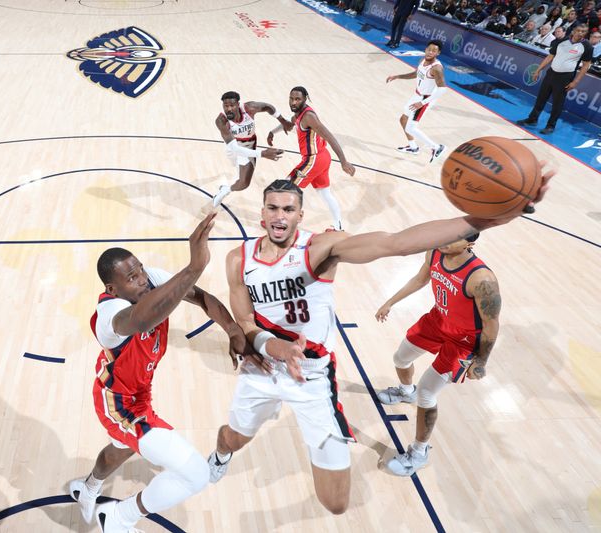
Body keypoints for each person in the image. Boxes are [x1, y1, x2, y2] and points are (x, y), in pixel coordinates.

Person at [207, 171, 552, 515]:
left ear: (300, 214)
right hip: (265, 368)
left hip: (311, 377)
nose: (279, 216)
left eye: (288, 209)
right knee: (234, 440)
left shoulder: (322, 248)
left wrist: (489, 218)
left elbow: (395, 243)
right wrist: (274, 347)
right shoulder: (239, 259)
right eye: (273, 208)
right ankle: (220, 455)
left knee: (336, 502)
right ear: (262, 213)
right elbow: (247, 323)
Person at [68, 213, 265, 533]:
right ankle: (118, 518)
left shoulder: (150, 280)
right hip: (117, 402)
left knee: (119, 451)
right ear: (112, 288)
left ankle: (88, 487)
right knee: (197, 474)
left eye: (141, 269)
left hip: (139, 392)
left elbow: (201, 297)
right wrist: (193, 266)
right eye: (131, 278)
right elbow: (144, 319)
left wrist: (231, 329)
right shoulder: (110, 315)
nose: (142, 279)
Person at [373, 234, 499, 475]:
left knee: (428, 392)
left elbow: (492, 324)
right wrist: (390, 301)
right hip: (437, 321)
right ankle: (405, 391)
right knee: (400, 358)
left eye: (456, 238)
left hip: (464, 339)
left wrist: (481, 361)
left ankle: (419, 453)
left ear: (469, 244)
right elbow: (421, 279)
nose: (446, 240)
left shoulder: (482, 279)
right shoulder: (434, 252)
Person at [267, 86, 355, 231]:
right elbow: (289, 126)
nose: (293, 102)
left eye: (297, 99)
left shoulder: (309, 117)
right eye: (291, 98)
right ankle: (338, 227)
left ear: (305, 99)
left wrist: (343, 161)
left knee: (287, 189)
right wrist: (272, 132)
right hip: (322, 158)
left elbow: (330, 137)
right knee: (325, 194)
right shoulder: (298, 116)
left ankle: (284, 224)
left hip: (313, 159)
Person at [211, 91, 288, 208]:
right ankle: (230, 182)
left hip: (249, 145)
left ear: (238, 104)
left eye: (232, 105)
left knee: (244, 183)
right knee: (237, 169)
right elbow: (235, 149)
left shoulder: (249, 108)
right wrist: (262, 153)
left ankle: (225, 190)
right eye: (226, 106)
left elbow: (268, 107)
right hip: (233, 147)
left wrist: (283, 121)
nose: (229, 109)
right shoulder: (221, 121)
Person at [517, 24, 592, 134]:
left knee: (557, 103)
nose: (580, 33)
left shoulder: (587, 46)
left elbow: (586, 65)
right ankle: (532, 119)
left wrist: (575, 81)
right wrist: (538, 70)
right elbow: (550, 56)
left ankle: (550, 126)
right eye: (579, 30)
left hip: (565, 77)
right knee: (541, 98)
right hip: (551, 73)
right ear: (573, 31)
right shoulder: (562, 41)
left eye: (583, 31)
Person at [387, 40, 447, 163]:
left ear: (438, 53)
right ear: (425, 49)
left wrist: (422, 103)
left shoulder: (437, 68)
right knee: (403, 119)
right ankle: (413, 147)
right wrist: (398, 76)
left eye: (434, 51)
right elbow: (416, 74)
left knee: (410, 128)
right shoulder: (422, 60)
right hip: (417, 95)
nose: (430, 52)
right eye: (429, 49)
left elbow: (442, 89)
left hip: (425, 99)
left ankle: (437, 148)